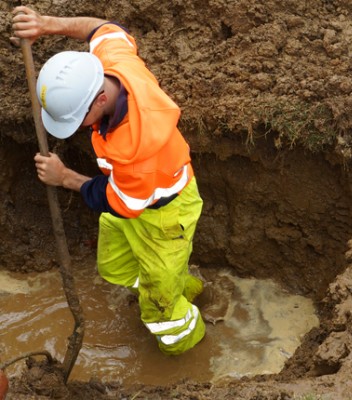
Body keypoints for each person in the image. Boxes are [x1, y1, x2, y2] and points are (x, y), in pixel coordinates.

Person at [11, 6, 206, 355]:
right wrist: (46, 24)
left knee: (162, 314)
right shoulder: (112, 65)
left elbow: (119, 202)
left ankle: (185, 345)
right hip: (134, 196)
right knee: (115, 266)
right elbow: (102, 28)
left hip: (163, 215)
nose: (77, 128)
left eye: (78, 119)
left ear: (100, 100)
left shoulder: (137, 147)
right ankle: (177, 285)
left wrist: (64, 177)